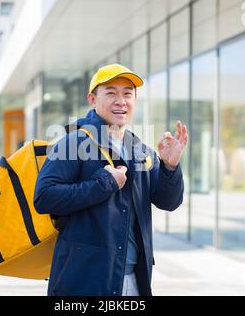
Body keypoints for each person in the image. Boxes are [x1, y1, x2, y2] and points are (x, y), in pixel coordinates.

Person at [33, 63, 188, 296]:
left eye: (127, 93)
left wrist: (169, 166)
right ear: (92, 99)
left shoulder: (140, 150)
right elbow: (44, 197)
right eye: (111, 93)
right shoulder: (73, 143)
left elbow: (169, 202)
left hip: (134, 280)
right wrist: (104, 183)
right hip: (84, 283)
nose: (121, 100)